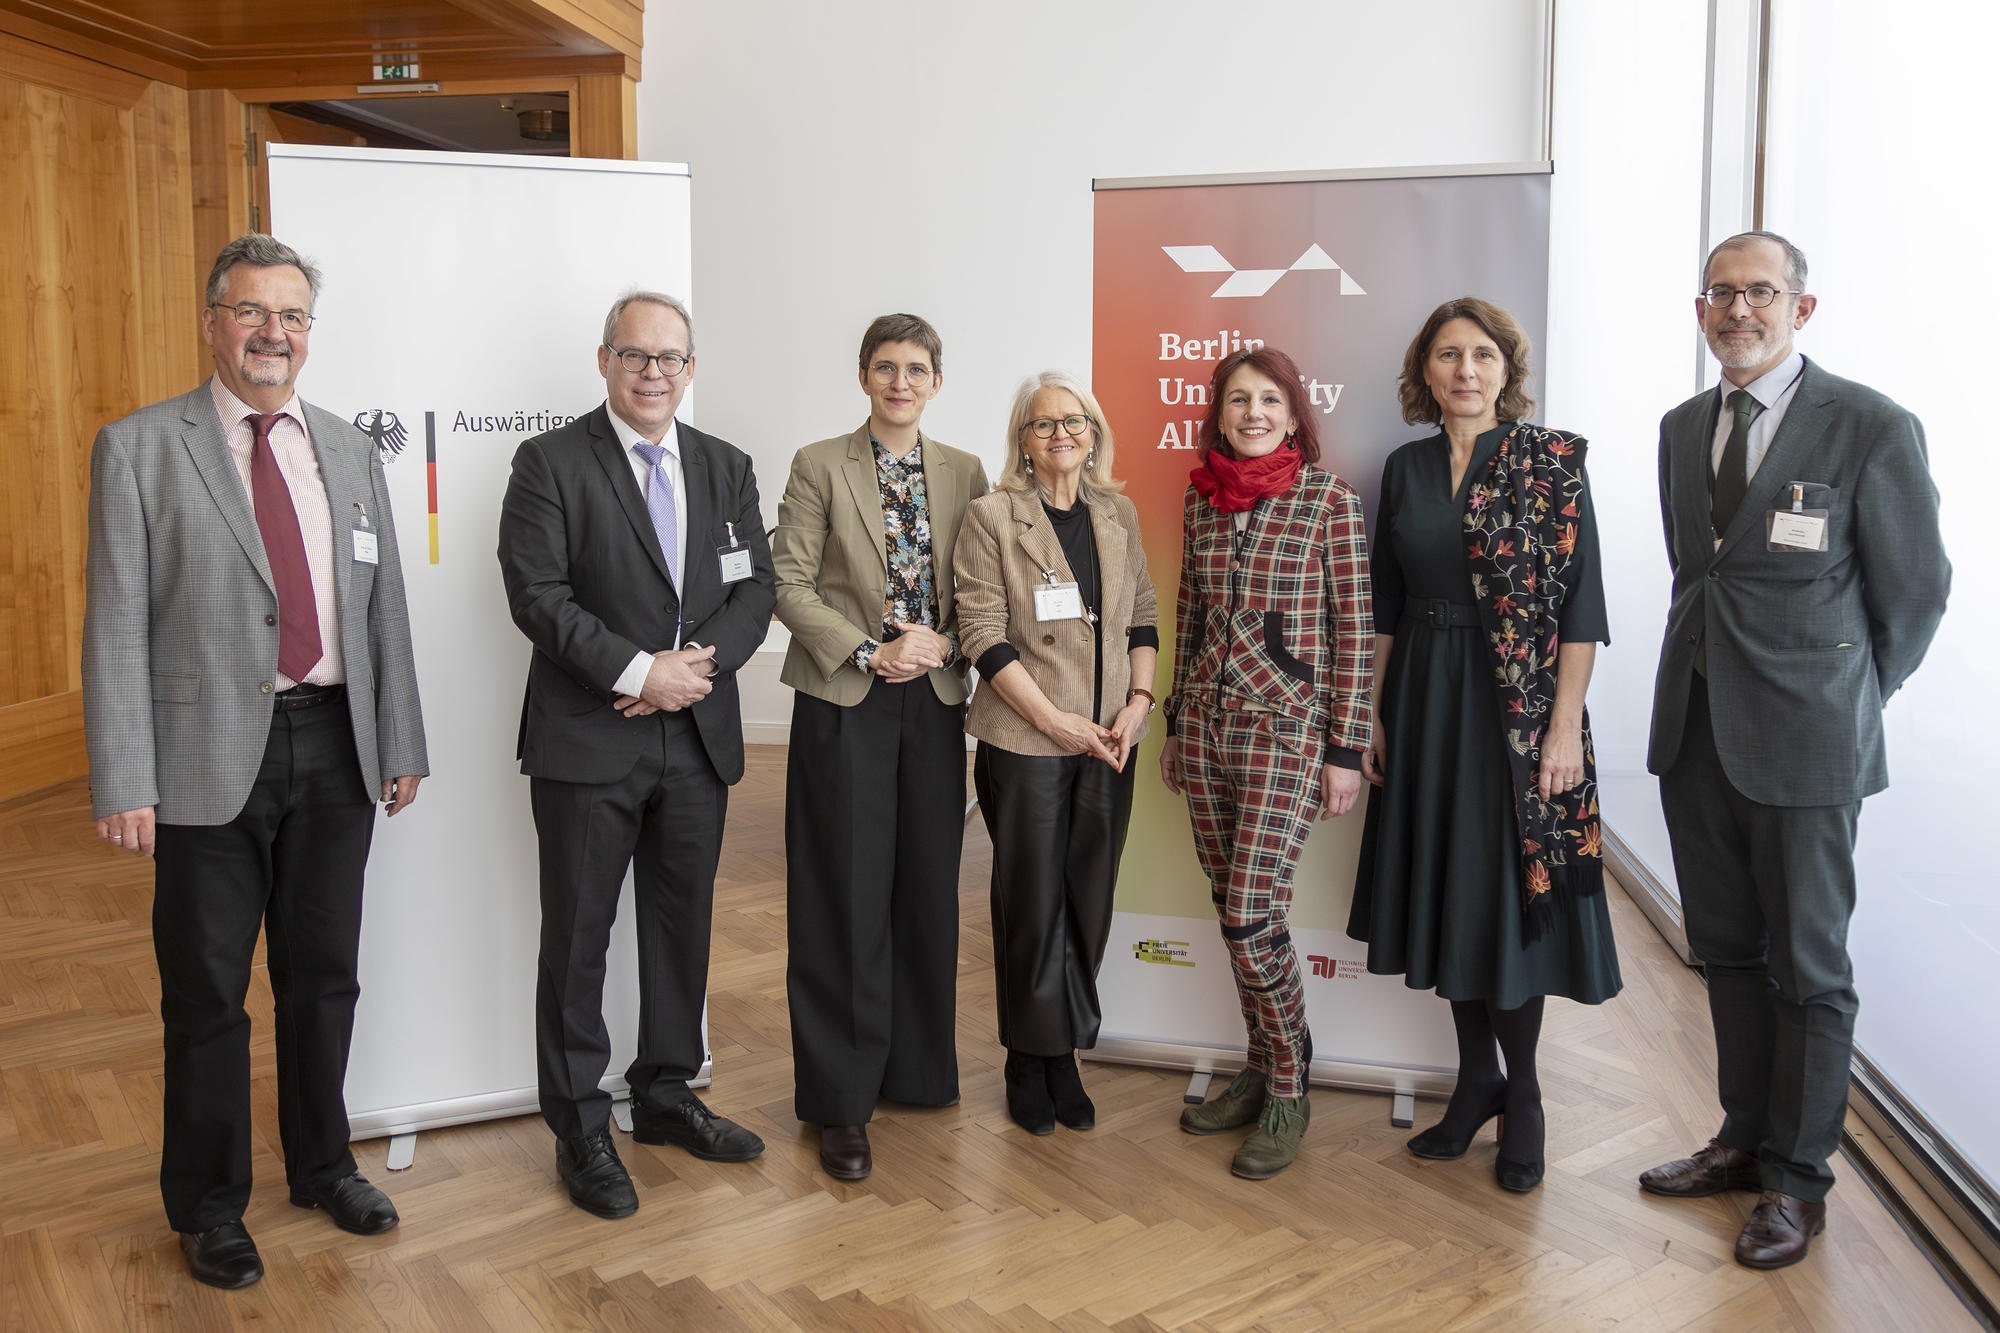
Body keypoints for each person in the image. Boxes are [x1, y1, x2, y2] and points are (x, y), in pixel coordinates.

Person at [82, 234, 428, 1288]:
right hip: (201, 757)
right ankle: (209, 1203)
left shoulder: (348, 447)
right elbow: (116, 619)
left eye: (291, 316)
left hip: (335, 744)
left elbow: (382, 610)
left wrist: (401, 739)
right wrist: (124, 773)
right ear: (211, 322)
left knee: (323, 979)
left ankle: (322, 1163)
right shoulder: (141, 447)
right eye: (250, 312)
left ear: (307, 335)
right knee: (206, 994)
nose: (271, 333)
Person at [1640, 231, 1949, 1269]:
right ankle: (1740, 1139)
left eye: (1759, 292)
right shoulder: (1681, 428)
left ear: (1798, 309)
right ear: (1700, 309)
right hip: (1695, 731)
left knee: (1809, 969)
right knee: (1724, 952)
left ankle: (1797, 1181)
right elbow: (1703, 577)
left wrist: (1845, 698)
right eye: (1720, 293)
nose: (1738, 310)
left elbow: (1912, 593)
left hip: (1807, 745)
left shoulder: (1866, 424)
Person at [497, 290, 775, 1221]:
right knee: (577, 942)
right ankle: (581, 1127)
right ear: (606, 360)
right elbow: (537, 594)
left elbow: (754, 589)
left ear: (691, 369)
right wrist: (633, 669)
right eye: (636, 356)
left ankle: (663, 1092)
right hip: (590, 740)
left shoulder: (726, 465)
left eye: (671, 358)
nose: (654, 373)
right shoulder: (550, 462)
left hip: (696, 737)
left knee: (679, 928)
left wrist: (688, 674)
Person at [1347, 297, 1621, 1196]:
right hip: (1424, 696)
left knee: (1506, 897)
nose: (1465, 370)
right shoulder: (1406, 465)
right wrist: (1373, 711)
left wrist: (1564, 727)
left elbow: (1580, 607)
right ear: (1424, 372)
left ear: (1508, 370)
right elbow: (1384, 603)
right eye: (1447, 355)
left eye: (1482, 355)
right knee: (1450, 894)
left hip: (1518, 709)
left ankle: (1526, 1092)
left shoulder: (1551, 464)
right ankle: (1475, 1082)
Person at [772, 313, 990, 1180]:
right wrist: (874, 649)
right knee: (843, 897)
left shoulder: (966, 471)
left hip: (934, 700)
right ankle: (840, 1100)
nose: (901, 381)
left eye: (917, 368)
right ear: (864, 376)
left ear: (937, 381)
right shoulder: (819, 463)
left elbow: (984, 588)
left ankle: (915, 1070)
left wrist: (942, 645)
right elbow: (787, 581)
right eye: (885, 367)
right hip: (846, 699)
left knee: (925, 891)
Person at [1158, 345, 1371, 1180]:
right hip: (1208, 731)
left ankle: (1290, 1079)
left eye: (1269, 399)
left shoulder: (1328, 500)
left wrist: (1345, 747)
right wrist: (1177, 723)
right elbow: (1190, 612)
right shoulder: (1201, 498)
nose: (1252, 413)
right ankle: (1255, 1063)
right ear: (1219, 413)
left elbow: (1354, 631)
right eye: (1238, 400)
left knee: (1253, 913)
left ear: (1293, 413)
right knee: (1228, 907)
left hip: (1288, 734)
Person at [956, 372, 1159, 1135]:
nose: (1062, 435)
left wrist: (1138, 707)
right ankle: (1027, 1058)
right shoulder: (992, 515)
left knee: (1088, 898)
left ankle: (1062, 1051)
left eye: (1075, 422)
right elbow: (980, 629)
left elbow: (1141, 613)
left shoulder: (1117, 512)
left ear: (1094, 433)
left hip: (1110, 740)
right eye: (1044, 425)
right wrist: (1056, 722)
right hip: (1029, 740)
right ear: (1023, 440)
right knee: (1031, 906)